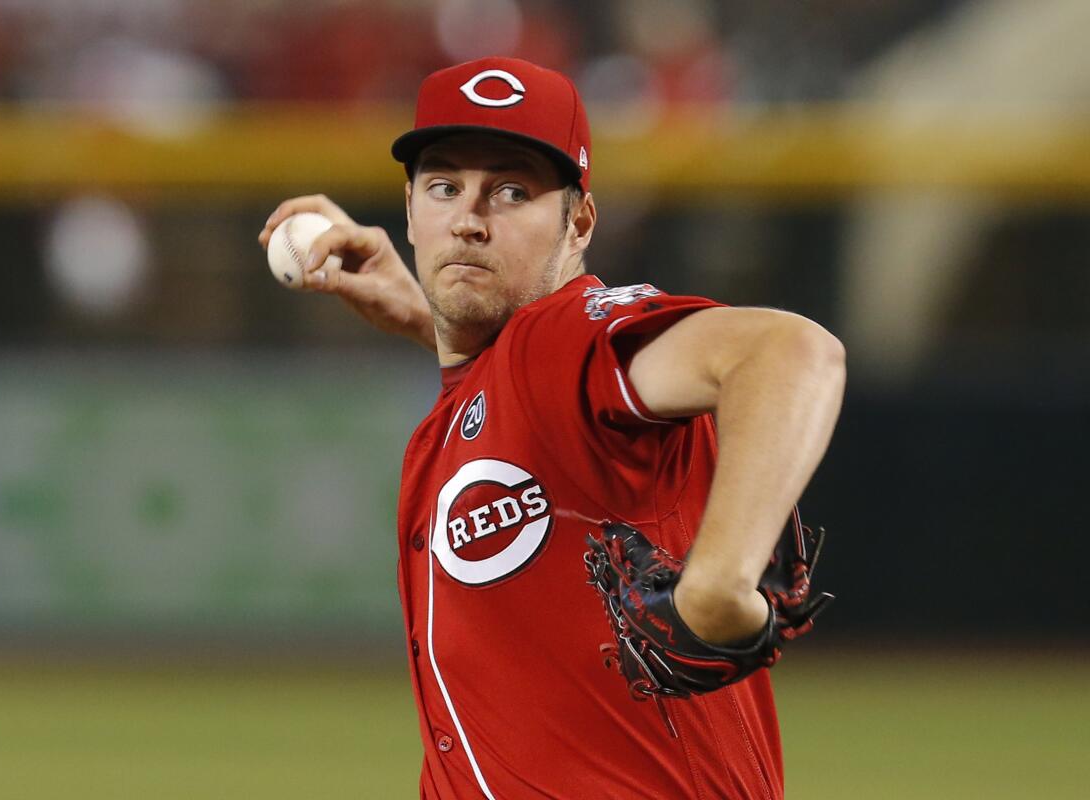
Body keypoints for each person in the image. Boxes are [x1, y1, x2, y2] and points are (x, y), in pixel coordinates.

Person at [259, 57, 845, 800]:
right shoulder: (501, 388)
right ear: (408, 212)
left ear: (580, 222)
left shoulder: (565, 340)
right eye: (444, 187)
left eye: (512, 191)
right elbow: (504, 393)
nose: (469, 219)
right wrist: (423, 314)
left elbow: (793, 351)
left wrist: (718, 584)